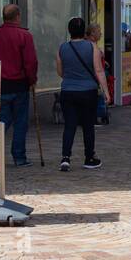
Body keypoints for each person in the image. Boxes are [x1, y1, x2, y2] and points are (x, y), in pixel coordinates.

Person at [0, 4, 38, 166]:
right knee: (20, 122)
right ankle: (19, 157)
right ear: (18, 16)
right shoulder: (24, 36)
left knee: (0, 121)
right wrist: (32, 80)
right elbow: (30, 62)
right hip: (19, 85)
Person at [56, 17, 110, 171]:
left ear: (69, 31)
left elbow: (60, 71)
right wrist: (106, 91)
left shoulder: (62, 48)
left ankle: (65, 157)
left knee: (69, 126)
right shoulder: (92, 47)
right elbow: (99, 70)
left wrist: (71, 78)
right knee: (87, 126)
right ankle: (89, 157)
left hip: (67, 91)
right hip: (88, 91)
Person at [86, 23, 111, 125]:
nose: (101, 34)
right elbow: (97, 69)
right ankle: (94, 116)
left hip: (94, 79)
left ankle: (96, 115)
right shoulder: (89, 46)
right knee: (96, 98)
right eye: (99, 31)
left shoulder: (93, 46)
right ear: (92, 33)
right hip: (92, 79)